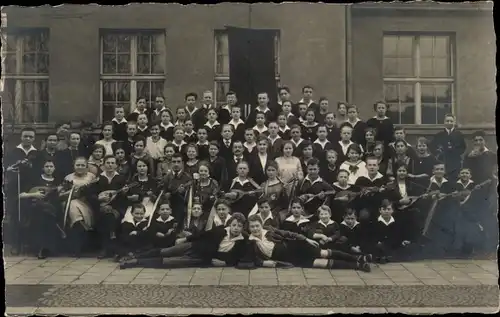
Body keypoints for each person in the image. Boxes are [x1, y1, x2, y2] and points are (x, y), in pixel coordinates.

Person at [119, 213, 248, 269]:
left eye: (239, 226)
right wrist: (185, 238)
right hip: (195, 245)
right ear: (230, 224)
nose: (236, 228)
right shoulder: (221, 230)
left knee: (169, 262)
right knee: (166, 251)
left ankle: (136, 262)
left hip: (201, 259)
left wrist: (225, 263)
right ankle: (134, 256)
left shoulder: (242, 241)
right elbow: (202, 235)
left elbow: (238, 258)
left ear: (243, 228)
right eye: (234, 225)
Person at [246, 215, 371, 271]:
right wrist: (265, 262)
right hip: (290, 259)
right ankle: (358, 266)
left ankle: (358, 257)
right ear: (249, 228)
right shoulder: (251, 242)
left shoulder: (269, 230)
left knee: (323, 253)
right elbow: (254, 259)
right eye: (252, 227)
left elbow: (289, 234)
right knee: (321, 263)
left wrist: (306, 239)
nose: (255, 229)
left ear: (261, 225)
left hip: (295, 247)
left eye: (257, 226)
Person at [18, 160, 62, 259]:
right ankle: (41, 248)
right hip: (36, 208)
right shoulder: (35, 180)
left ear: (54, 168)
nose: (49, 168)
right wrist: (34, 194)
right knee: (42, 215)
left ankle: (46, 248)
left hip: (53, 208)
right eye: (47, 166)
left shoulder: (58, 182)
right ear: (43, 168)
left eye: (51, 166)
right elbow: (21, 195)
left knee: (47, 214)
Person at [429, 114, 466, 181]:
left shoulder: (459, 135)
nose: (449, 123)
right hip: (442, 161)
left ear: (454, 122)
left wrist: (455, 152)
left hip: (455, 162)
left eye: (451, 121)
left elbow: (463, 147)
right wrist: (438, 153)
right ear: (444, 122)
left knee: (454, 180)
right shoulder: (439, 135)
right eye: (447, 121)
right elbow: (432, 147)